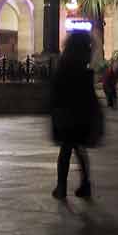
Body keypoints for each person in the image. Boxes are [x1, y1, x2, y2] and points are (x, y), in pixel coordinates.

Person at [50, 32, 104, 200]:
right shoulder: (83, 69)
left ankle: (61, 186)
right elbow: (90, 96)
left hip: (66, 116)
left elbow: (56, 92)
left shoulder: (63, 66)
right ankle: (85, 184)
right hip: (80, 117)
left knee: (66, 150)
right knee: (79, 150)